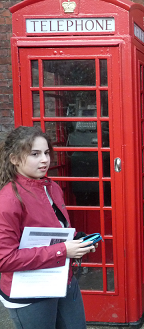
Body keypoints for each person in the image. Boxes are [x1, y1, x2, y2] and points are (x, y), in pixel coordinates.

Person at [0, 126, 96, 329]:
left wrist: (77, 241)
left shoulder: (50, 186)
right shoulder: (8, 199)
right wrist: (64, 249)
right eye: (35, 154)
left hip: (62, 279)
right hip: (30, 292)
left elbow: (52, 230)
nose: (45, 160)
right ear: (14, 159)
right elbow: (4, 259)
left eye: (46, 153)